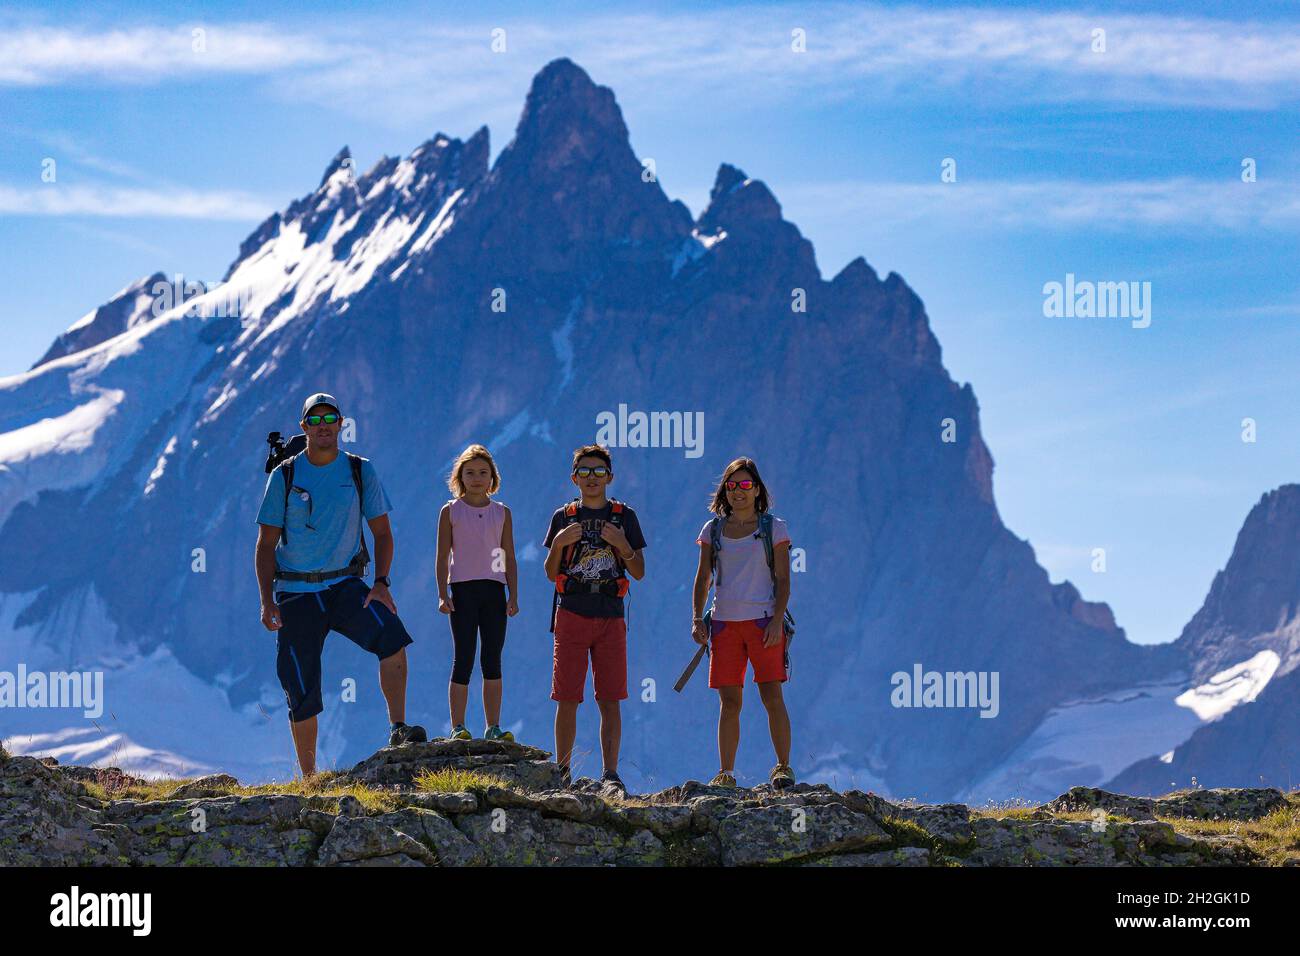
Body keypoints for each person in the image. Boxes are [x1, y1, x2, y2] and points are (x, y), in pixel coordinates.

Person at [255, 392, 426, 777]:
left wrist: (381, 582)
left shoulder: (359, 470)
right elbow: (265, 545)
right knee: (300, 685)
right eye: (314, 421)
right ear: (304, 428)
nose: (322, 427)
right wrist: (267, 601)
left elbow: (382, 532)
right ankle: (310, 779)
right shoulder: (283, 475)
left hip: (345, 586)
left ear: (340, 423)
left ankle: (398, 729)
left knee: (392, 637)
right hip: (297, 592)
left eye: (329, 418)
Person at [543, 445, 646, 794]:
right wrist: (558, 544)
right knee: (567, 696)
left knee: (609, 697)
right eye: (585, 472)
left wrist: (623, 545)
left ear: (609, 477)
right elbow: (549, 572)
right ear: (574, 478)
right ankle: (562, 771)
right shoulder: (563, 518)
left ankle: (610, 773)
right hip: (571, 612)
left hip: (610, 615)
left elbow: (640, 571)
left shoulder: (624, 518)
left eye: (598, 472)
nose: (591, 478)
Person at [691, 457, 795, 789]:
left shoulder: (774, 528)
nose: (738, 491)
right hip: (724, 625)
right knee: (729, 701)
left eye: (746, 485)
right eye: (732, 485)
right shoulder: (713, 530)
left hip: (764, 623)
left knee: (771, 695)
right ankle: (726, 773)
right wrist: (697, 619)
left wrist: (778, 620)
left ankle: (783, 768)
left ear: (757, 490)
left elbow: (783, 578)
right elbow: (702, 578)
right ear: (725, 490)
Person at [436, 444, 519, 741]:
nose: (476, 478)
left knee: (492, 658)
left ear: (492, 478)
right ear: (459, 476)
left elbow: (508, 554)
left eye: (483, 472)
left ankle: (492, 726)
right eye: (469, 472)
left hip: (494, 591)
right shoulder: (451, 511)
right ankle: (457, 726)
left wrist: (513, 594)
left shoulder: (502, 513)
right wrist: (442, 593)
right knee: (463, 657)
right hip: (462, 591)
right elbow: (442, 554)